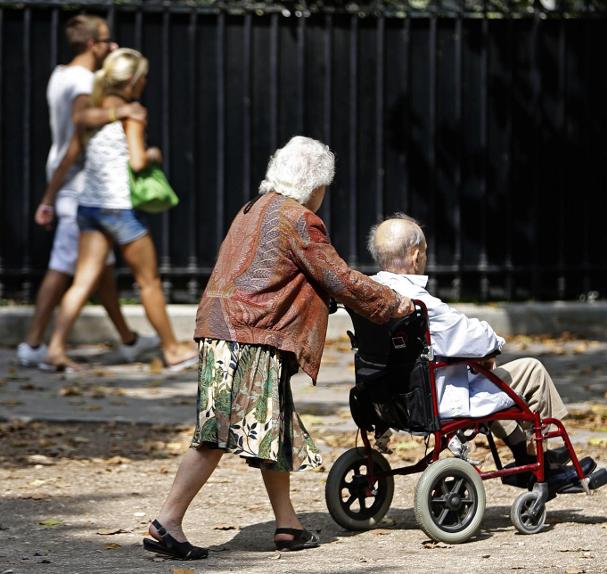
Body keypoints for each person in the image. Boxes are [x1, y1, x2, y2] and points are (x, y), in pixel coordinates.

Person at [142, 136, 414, 560]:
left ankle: (287, 524)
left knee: (275, 426)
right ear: (314, 184)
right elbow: (337, 277)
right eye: (325, 186)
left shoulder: (253, 208)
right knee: (215, 433)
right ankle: (167, 521)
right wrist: (391, 301)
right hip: (249, 334)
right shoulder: (299, 219)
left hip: (225, 328)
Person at [367, 214, 586, 476]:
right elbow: (481, 340)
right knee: (531, 370)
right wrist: (491, 348)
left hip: (393, 398)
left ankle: (520, 449)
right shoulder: (423, 305)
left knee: (487, 378)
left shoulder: (370, 292)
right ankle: (549, 456)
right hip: (437, 398)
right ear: (416, 257)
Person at [41, 48, 196, 372]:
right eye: (143, 77)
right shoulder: (132, 113)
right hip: (121, 209)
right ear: (133, 81)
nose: (145, 82)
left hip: (90, 206)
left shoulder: (91, 111)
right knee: (148, 281)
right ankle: (171, 349)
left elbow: (69, 156)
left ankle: (55, 348)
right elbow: (138, 161)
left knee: (82, 281)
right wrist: (154, 154)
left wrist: (48, 199)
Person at [17, 14, 157, 368]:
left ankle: (127, 338)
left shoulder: (60, 74)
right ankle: (36, 345)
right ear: (92, 45)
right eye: (107, 40)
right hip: (79, 185)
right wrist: (123, 109)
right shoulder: (82, 80)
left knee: (96, 271)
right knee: (67, 269)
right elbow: (81, 124)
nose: (112, 46)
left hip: (73, 184)